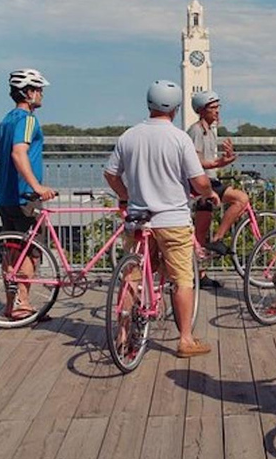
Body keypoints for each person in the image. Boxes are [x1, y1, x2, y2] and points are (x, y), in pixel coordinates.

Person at [104, 79, 216, 358]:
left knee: (132, 277)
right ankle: (185, 339)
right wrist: (209, 193)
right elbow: (198, 180)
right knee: (182, 280)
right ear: (176, 108)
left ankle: (121, 334)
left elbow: (110, 174)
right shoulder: (179, 139)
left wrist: (126, 196)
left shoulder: (129, 136)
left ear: (149, 104)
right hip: (173, 220)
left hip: (139, 220)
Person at [0, 68, 57, 321]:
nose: (42, 94)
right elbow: (19, 153)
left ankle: (11, 305)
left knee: (11, 250)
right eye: (39, 89)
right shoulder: (27, 119)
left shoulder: (6, 120)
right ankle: (23, 303)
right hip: (24, 198)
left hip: (5, 196)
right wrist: (38, 187)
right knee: (29, 251)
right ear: (29, 93)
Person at [187, 90, 249, 287]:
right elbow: (195, 162)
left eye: (217, 107)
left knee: (200, 233)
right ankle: (218, 238)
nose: (217, 111)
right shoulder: (196, 130)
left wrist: (224, 159)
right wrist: (219, 163)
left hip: (207, 182)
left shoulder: (210, 131)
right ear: (201, 110)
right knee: (241, 199)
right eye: (213, 108)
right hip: (202, 184)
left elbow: (210, 162)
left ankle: (199, 275)